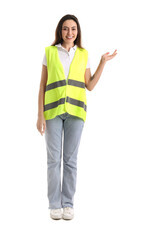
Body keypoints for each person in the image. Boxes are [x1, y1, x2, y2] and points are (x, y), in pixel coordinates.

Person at [36, 14, 117, 220]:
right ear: (59, 31)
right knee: (53, 160)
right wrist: (40, 115)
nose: (69, 32)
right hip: (52, 111)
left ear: (77, 31)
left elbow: (89, 85)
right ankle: (55, 204)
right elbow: (42, 86)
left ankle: (68, 204)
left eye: (73, 29)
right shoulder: (49, 52)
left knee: (70, 160)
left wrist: (102, 63)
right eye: (65, 28)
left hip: (76, 113)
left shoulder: (83, 54)